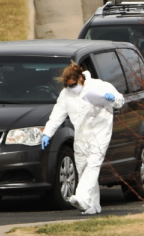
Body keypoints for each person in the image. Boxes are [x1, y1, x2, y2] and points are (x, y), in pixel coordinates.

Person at [41, 62, 124, 215]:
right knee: (82, 168)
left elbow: (120, 100)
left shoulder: (99, 86)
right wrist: (47, 132)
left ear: (80, 77)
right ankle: (91, 206)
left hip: (100, 131)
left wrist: (112, 98)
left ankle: (81, 197)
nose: (71, 88)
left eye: (73, 85)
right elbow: (57, 114)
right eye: (67, 85)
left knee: (93, 164)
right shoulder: (66, 94)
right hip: (81, 133)